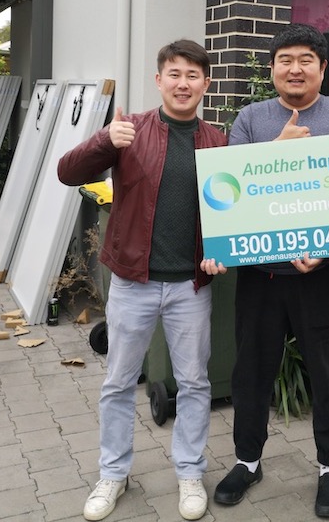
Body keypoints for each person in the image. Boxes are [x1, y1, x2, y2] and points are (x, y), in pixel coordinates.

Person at [203, 23, 329, 519]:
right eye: (285, 60)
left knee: (327, 374)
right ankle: (247, 461)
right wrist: (277, 148)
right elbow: (232, 189)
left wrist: (327, 248)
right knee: (251, 373)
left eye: (305, 60)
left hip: (321, 275)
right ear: (273, 67)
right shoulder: (251, 118)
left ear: (322, 67)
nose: (295, 69)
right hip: (261, 275)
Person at [57, 39, 226, 522]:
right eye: (174, 73)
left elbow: (230, 208)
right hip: (134, 282)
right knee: (118, 382)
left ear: (205, 84)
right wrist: (104, 140)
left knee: (194, 383)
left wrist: (221, 252)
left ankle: (189, 471)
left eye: (192, 75)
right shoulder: (129, 131)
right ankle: (113, 474)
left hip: (191, 286)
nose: (182, 83)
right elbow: (67, 172)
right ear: (159, 80)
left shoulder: (218, 142)